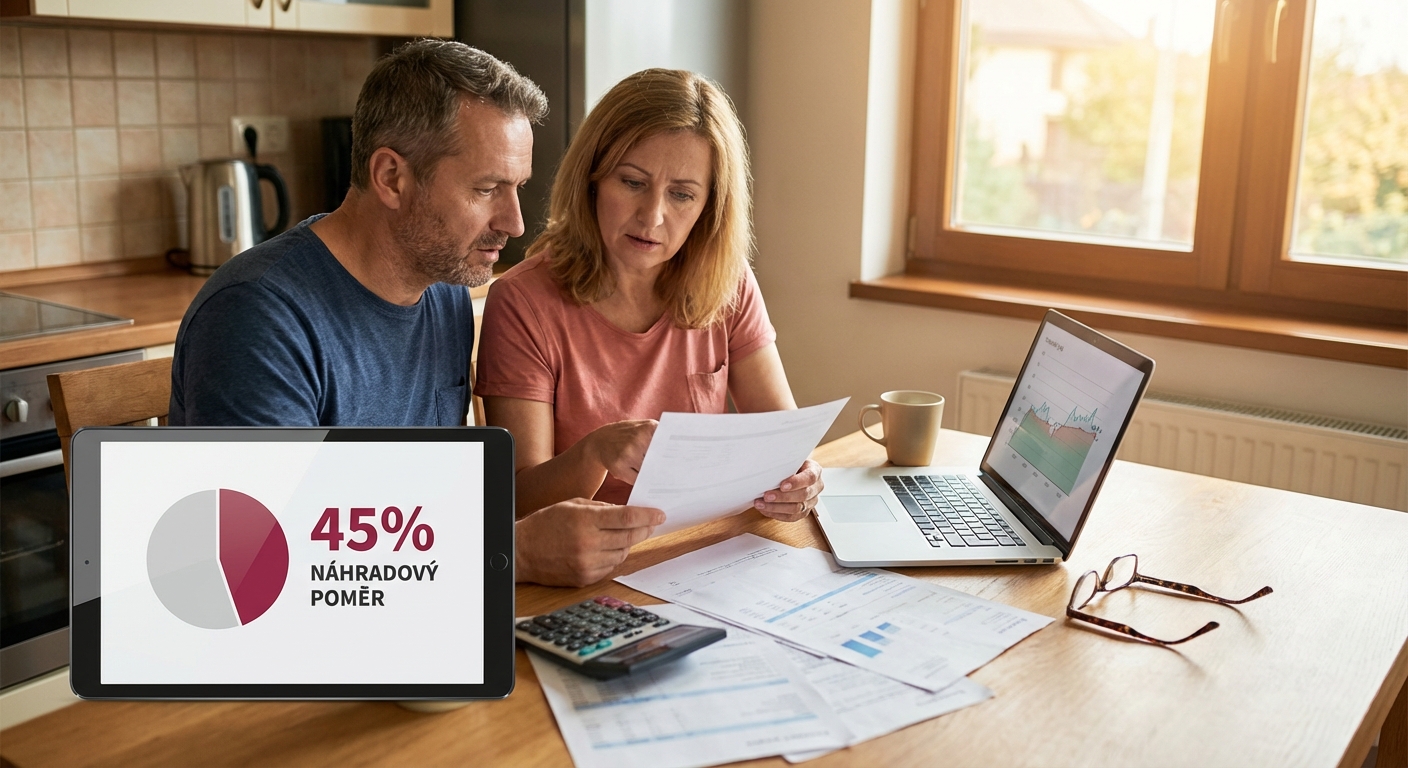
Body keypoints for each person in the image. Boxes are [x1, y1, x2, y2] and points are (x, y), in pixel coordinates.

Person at [169, 40, 665, 587]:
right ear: (391, 178)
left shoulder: (442, 289)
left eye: (517, 188)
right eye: (485, 189)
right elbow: (255, 563)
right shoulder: (257, 316)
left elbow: (426, 508)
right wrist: (513, 553)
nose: (516, 222)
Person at [475, 69, 824, 537]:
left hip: (699, 548)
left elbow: (783, 442)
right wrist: (594, 452)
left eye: (682, 194)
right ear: (593, 178)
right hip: (585, 569)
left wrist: (801, 479)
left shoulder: (729, 282)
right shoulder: (523, 301)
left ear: (708, 208)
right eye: (633, 182)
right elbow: (516, 502)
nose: (652, 216)